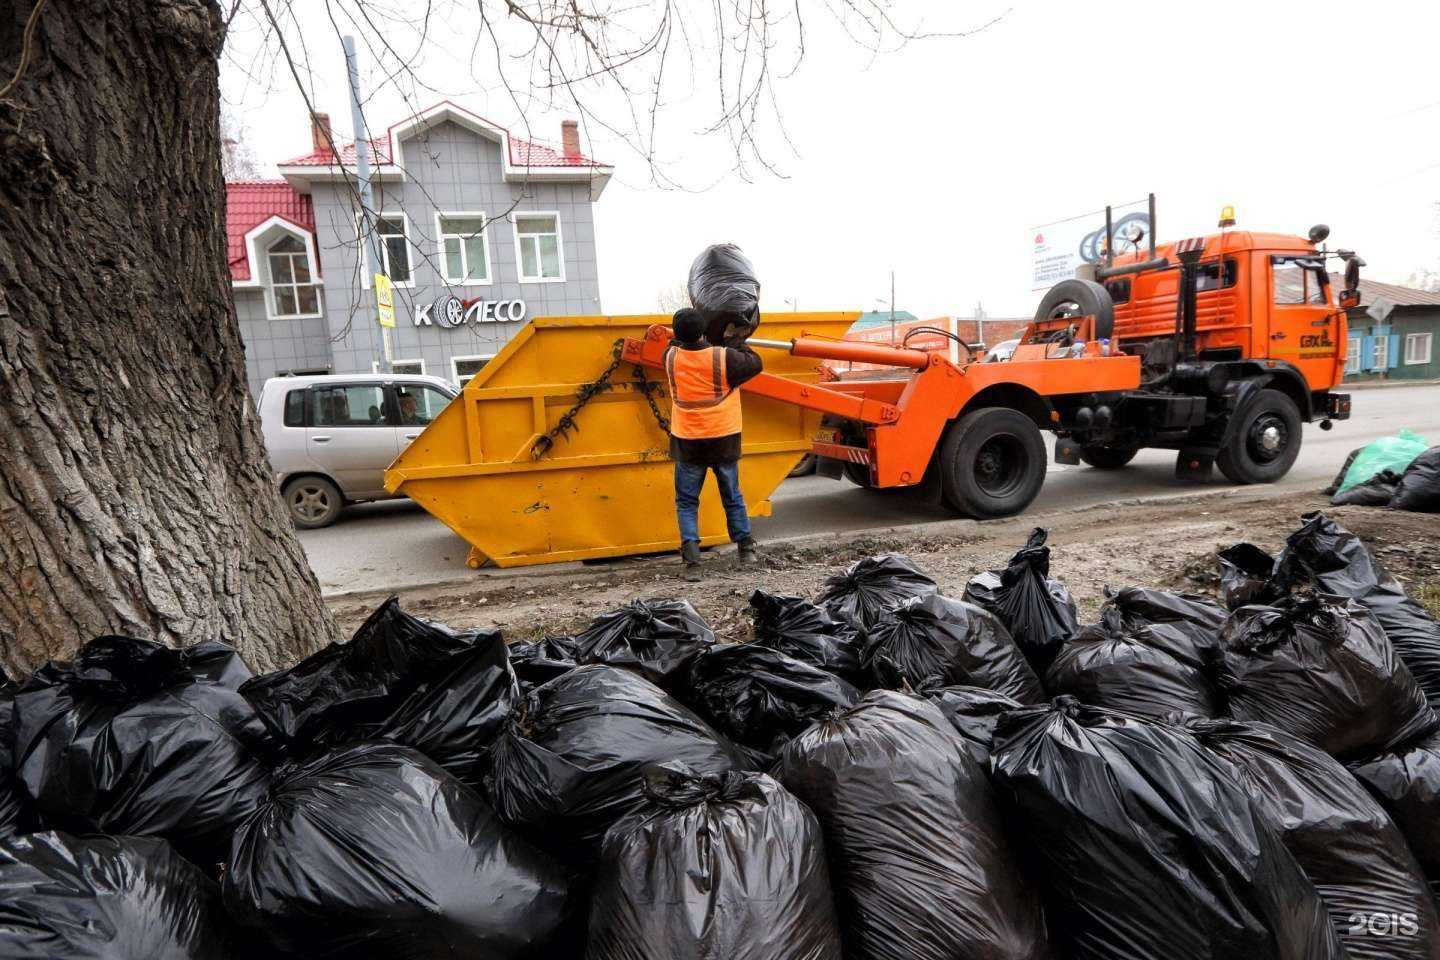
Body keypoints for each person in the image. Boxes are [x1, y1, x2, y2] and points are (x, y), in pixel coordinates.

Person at [664, 307, 763, 581]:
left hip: (688, 441)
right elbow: (755, 362)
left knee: (686, 501)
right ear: (704, 331)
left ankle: (693, 563)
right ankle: (746, 549)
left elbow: (675, 343)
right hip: (723, 438)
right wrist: (734, 340)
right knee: (731, 495)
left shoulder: (670, 357)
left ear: (676, 333)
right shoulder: (724, 358)